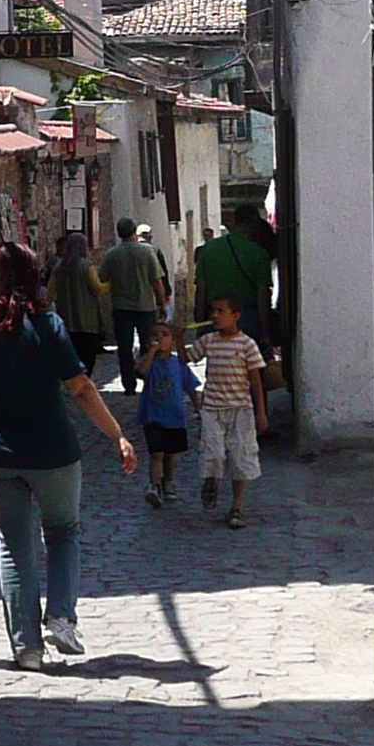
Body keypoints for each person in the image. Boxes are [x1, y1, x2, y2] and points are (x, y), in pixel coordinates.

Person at [0, 240, 135, 669]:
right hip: (54, 452)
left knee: (14, 547)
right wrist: (115, 434)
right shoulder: (48, 326)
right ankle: (62, 617)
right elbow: (82, 388)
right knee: (63, 531)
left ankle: (26, 648)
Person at [198, 290, 270, 527]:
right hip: (212, 408)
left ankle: (236, 506)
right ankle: (212, 481)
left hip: (240, 409)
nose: (215, 316)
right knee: (214, 452)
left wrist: (261, 412)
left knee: (240, 457)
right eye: (213, 311)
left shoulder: (247, 345)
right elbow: (185, 359)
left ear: (235, 315)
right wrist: (177, 338)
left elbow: (256, 381)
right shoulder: (208, 341)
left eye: (221, 311)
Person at [95, 216, 167, 392]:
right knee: (148, 345)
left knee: (125, 348)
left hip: (121, 307)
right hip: (145, 306)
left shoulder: (112, 255)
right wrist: (162, 303)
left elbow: (102, 278)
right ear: (134, 232)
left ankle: (129, 384)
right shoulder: (147, 252)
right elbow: (157, 281)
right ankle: (147, 378)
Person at [136, 320, 202, 505]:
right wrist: (150, 352)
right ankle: (154, 485)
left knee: (170, 453)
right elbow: (140, 372)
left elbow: (191, 386)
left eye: (165, 334)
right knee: (156, 452)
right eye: (155, 335)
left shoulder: (179, 364)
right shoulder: (149, 361)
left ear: (172, 341)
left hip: (174, 415)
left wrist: (198, 407)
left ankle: (168, 481)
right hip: (153, 415)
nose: (159, 338)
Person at [195, 204, 275, 349]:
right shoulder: (259, 254)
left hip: (216, 319)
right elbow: (263, 297)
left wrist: (200, 325)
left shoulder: (208, 250)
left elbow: (201, 290)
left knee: (219, 366)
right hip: (249, 321)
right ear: (254, 224)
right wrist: (266, 333)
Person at [49, 227, 108, 386]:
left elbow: (49, 293)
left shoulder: (58, 268)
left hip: (66, 320)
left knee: (72, 353)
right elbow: (98, 288)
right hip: (87, 320)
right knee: (88, 354)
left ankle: (74, 381)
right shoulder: (87, 266)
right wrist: (111, 283)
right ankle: (85, 382)